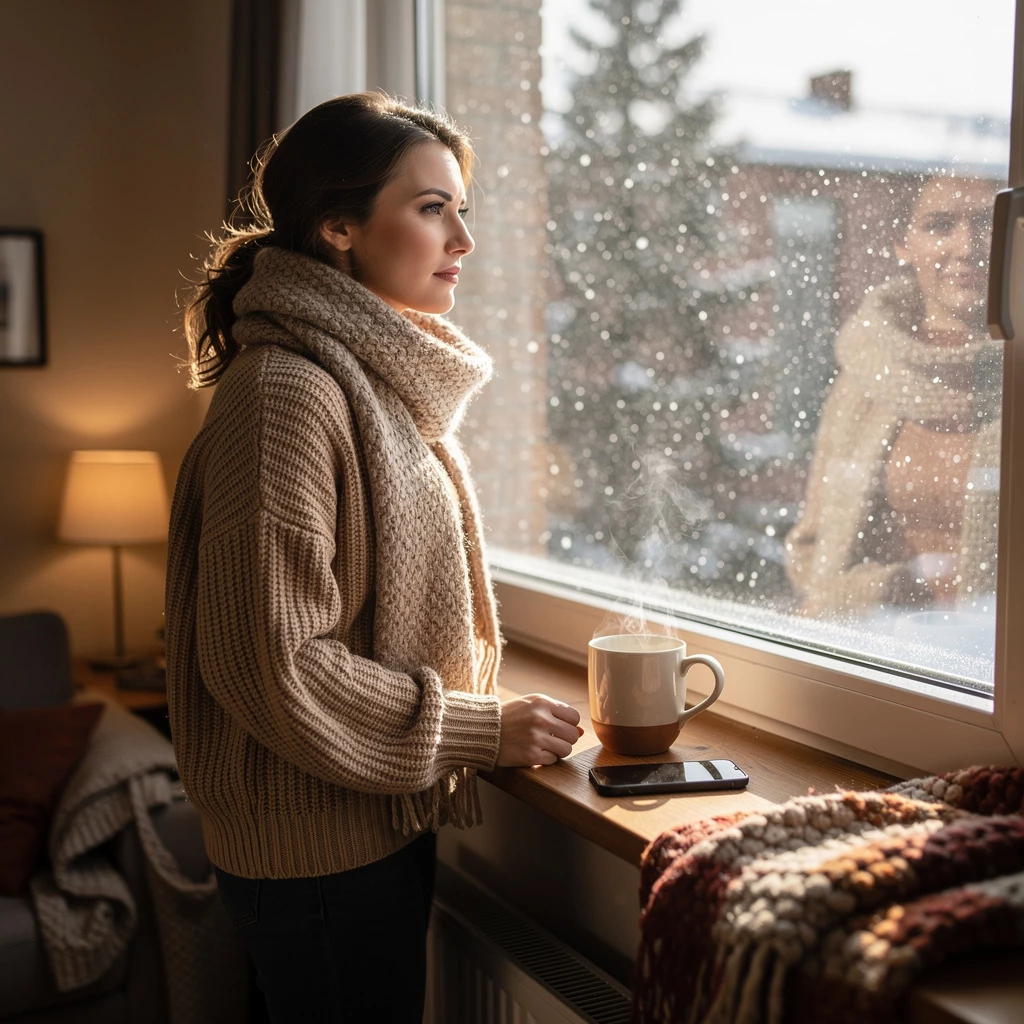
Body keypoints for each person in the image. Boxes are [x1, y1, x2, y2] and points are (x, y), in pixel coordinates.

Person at [165, 92, 583, 1023]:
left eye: (460, 208)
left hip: (362, 817)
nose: (462, 241)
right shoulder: (289, 394)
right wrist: (482, 730)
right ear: (340, 227)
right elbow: (274, 663)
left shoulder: (371, 377)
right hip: (316, 850)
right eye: (433, 208)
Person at [786, 174, 1002, 619]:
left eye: (986, 224)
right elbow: (812, 547)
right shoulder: (869, 375)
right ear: (904, 244)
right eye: (941, 225)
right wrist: (888, 591)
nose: (967, 246)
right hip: (878, 658)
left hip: (995, 668)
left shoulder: (1010, 385)